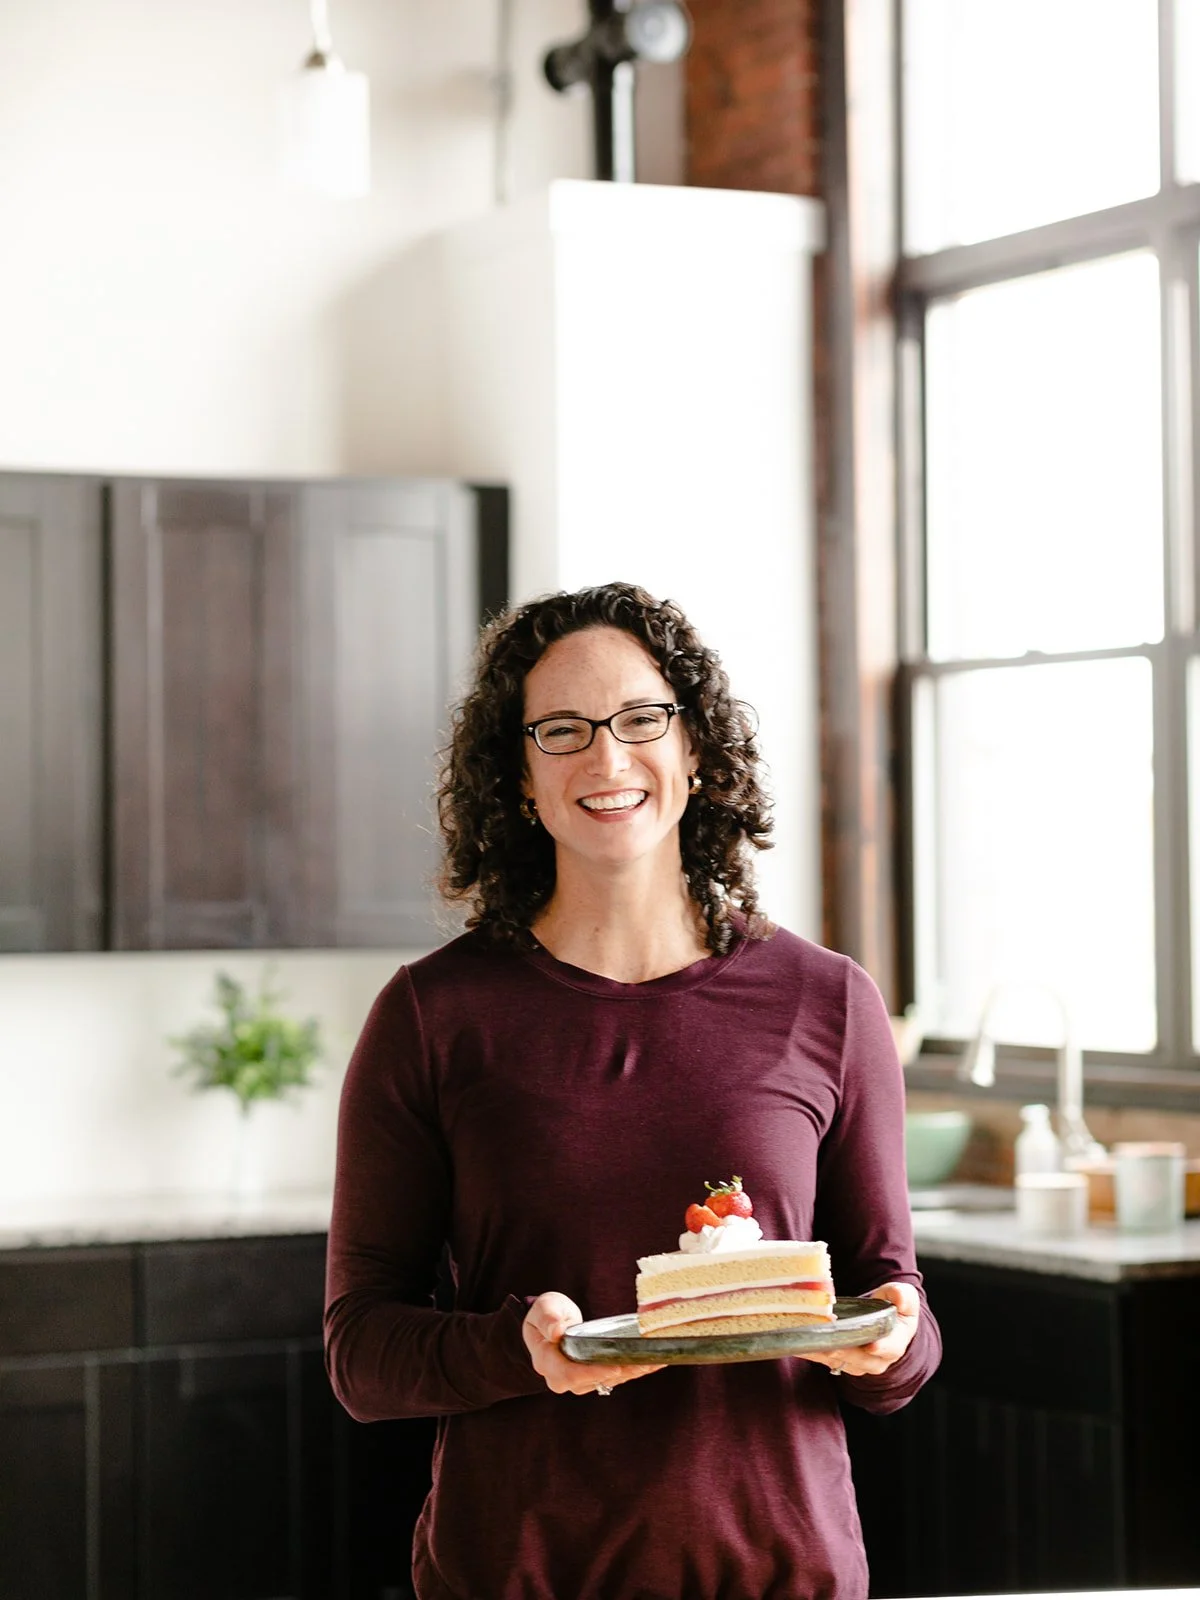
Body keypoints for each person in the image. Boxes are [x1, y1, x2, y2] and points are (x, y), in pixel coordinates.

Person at [324, 581, 942, 1600]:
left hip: (783, 1574)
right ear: (518, 776)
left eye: (642, 719)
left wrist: (890, 1334)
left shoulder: (828, 1001)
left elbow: (898, 1314)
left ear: (695, 749)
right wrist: (516, 1351)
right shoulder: (433, 1016)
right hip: (518, 1575)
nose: (607, 760)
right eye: (561, 730)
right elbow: (361, 1353)